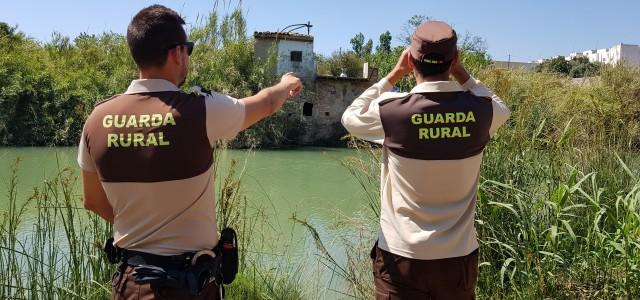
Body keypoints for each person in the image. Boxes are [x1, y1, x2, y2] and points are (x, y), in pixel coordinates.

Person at [77, 5, 302, 299]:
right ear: (176, 54)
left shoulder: (96, 120)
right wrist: (286, 84)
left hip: (131, 283)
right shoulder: (200, 110)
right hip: (189, 285)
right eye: (188, 50)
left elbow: (92, 201)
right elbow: (265, 103)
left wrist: (142, 228)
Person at [341, 21, 510, 299]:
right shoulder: (481, 112)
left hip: (400, 256)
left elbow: (351, 116)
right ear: (454, 59)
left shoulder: (393, 112)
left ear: (411, 59)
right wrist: (462, 73)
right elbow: (501, 107)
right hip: (457, 258)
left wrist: (393, 75)